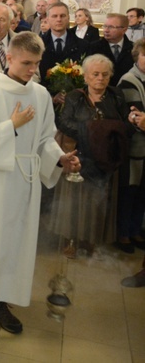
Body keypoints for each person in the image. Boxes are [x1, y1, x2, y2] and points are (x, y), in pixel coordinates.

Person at [0, 32, 81, 335]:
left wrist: (60, 158)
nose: (32, 70)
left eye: (36, 64)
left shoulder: (38, 94)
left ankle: (1, 295)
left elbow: (46, 138)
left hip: (26, 178)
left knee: (16, 241)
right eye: (26, 63)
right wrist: (11, 126)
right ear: (9, 57)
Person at [50, 54, 129, 257]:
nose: (100, 78)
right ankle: (70, 240)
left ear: (111, 76)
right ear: (85, 77)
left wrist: (104, 133)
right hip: (79, 155)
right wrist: (94, 132)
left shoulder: (117, 96)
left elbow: (123, 125)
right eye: (95, 74)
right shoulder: (75, 96)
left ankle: (90, 239)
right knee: (74, 200)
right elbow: (64, 122)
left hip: (105, 158)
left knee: (96, 202)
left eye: (105, 74)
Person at [117, 40, 145, 253]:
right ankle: (124, 233)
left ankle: (136, 229)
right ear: (137, 57)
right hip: (135, 146)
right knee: (130, 190)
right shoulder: (129, 80)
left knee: (142, 191)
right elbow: (137, 115)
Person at [89, 13, 134, 85]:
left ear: (124, 29)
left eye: (111, 27)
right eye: (105, 26)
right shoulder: (94, 47)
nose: (106, 30)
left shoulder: (133, 48)